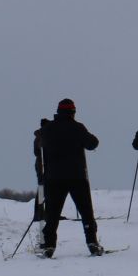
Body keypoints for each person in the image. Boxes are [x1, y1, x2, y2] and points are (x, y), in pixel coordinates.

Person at [40, 99, 104, 256]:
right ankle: (92, 243)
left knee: (52, 213)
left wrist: (46, 126)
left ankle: (49, 246)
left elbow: (42, 143)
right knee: (86, 212)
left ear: (58, 111)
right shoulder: (78, 128)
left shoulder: (48, 129)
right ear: (73, 112)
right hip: (77, 176)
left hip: (53, 177)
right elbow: (92, 143)